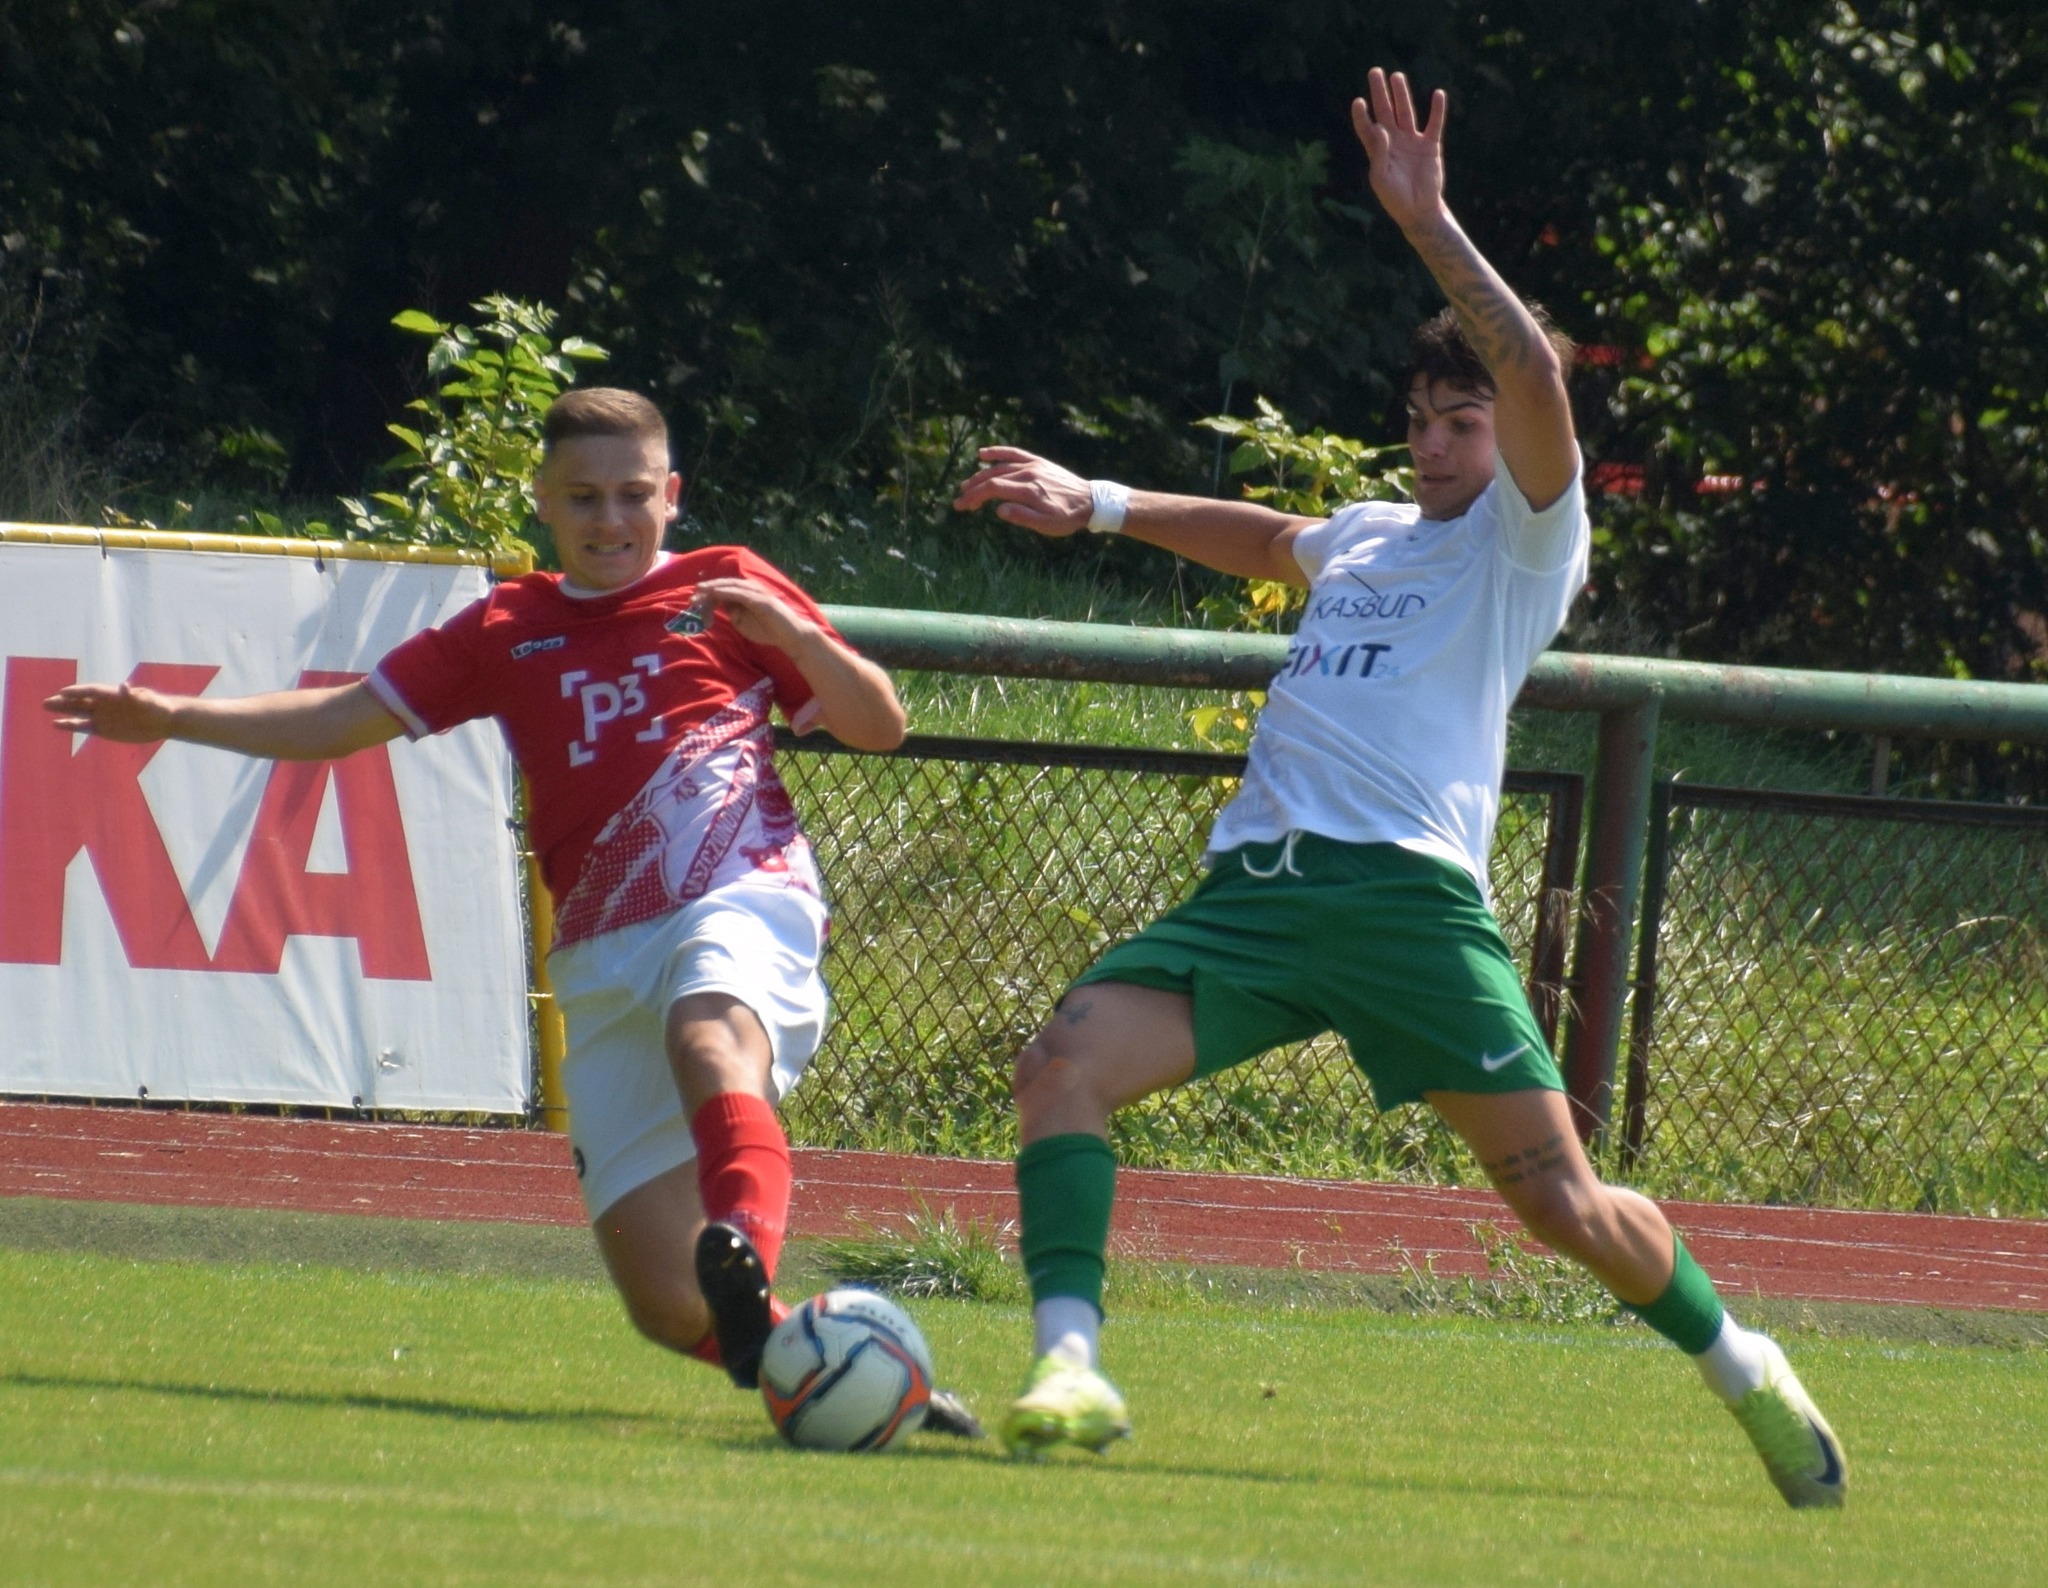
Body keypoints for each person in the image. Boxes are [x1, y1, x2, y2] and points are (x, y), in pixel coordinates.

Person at [951, 69, 1845, 1506]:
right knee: (1061, 1064)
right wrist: (1098, 502)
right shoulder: (1370, 532)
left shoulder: (1524, 547)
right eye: (1422, 416)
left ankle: (1745, 1367)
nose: (1434, 441)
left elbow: (1536, 377)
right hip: (1256, 897)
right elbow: (1268, 540)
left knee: (1559, 1204)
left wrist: (1428, 224)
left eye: (1460, 421)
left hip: (1408, 910)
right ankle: (1070, 1366)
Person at [46, 386, 980, 1436]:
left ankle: (745, 1243)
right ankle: (862, 1384)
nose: (610, 518)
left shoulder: (726, 582)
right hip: (600, 946)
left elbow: (879, 726)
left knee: (709, 1036)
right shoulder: (505, 626)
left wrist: (802, 640)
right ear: (542, 499)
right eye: (583, 496)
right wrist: (175, 715)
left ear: (671, 495)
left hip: (738, 887)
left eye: (633, 494)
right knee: (667, 1305)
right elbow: (341, 718)